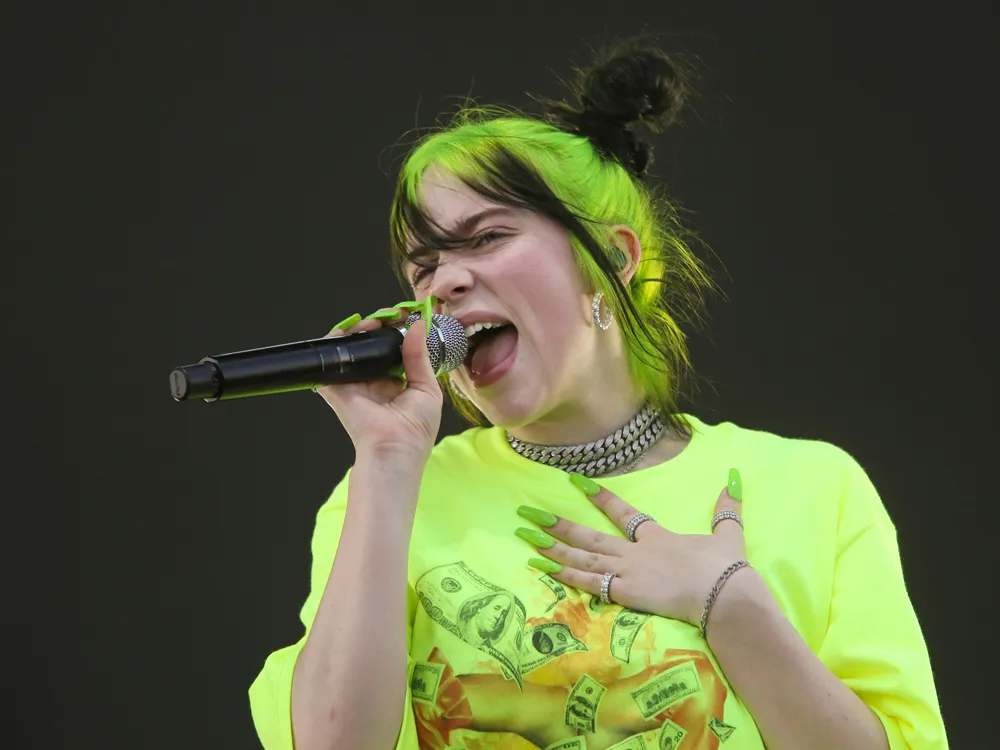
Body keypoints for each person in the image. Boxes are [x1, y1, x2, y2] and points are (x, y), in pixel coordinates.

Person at [249, 37, 947, 750]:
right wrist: (387, 462)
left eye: (486, 238)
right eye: (423, 267)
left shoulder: (815, 488)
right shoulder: (388, 496)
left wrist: (732, 604)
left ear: (612, 258)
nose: (445, 283)